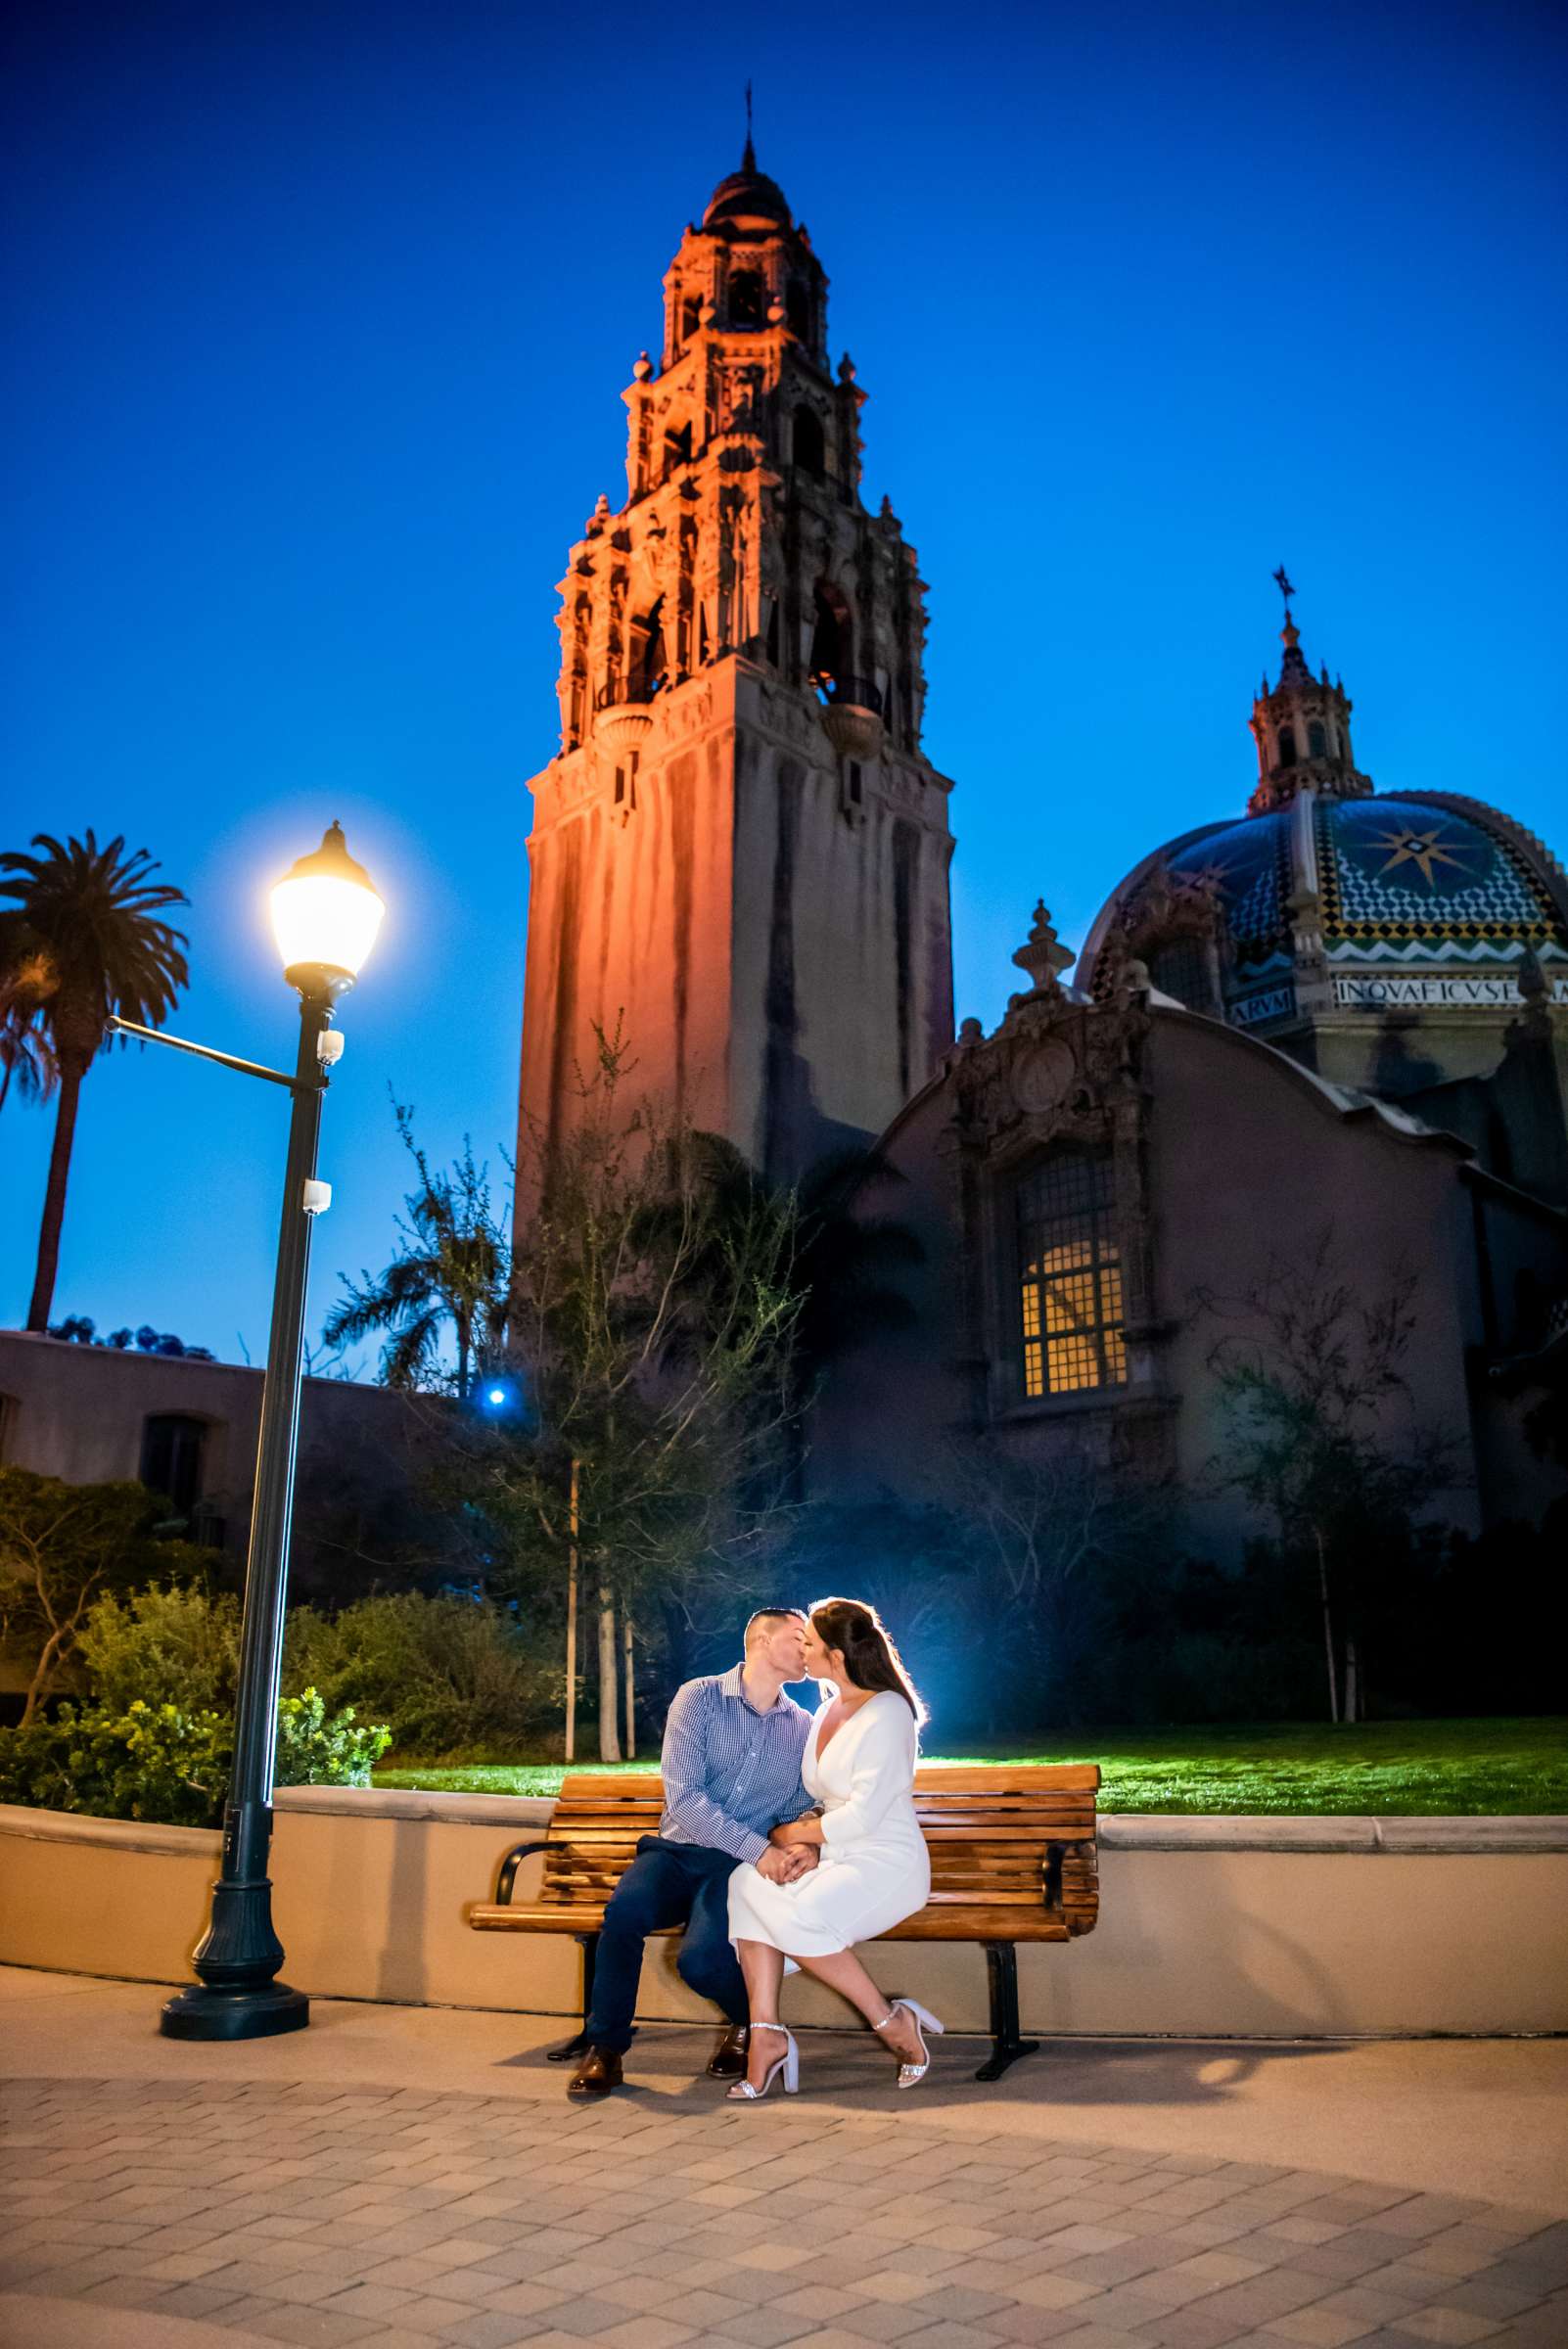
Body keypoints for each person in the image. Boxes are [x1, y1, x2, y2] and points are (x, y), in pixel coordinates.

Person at [568, 1607, 817, 2098]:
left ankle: (750, 2025)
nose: (808, 1650)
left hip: (734, 1869)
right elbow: (685, 1799)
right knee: (623, 1914)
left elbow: (795, 1804)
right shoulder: (699, 1698)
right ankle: (606, 2050)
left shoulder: (801, 1725)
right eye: (798, 1638)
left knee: (701, 1962)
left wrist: (805, 1833)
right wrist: (759, 1848)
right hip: (676, 1852)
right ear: (763, 1643)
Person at [726, 1596, 942, 2099]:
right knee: (743, 1882)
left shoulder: (887, 1713)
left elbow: (866, 1814)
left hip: (886, 1862)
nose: (802, 1651)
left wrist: (792, 1836)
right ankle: (766, 2036)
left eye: (810, 1644)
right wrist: (814, 1843)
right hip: (836, 1854)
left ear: (836, 1657)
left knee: (801, 1916)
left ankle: (891, 2021)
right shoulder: (825, 1709)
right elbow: (827, 1801)